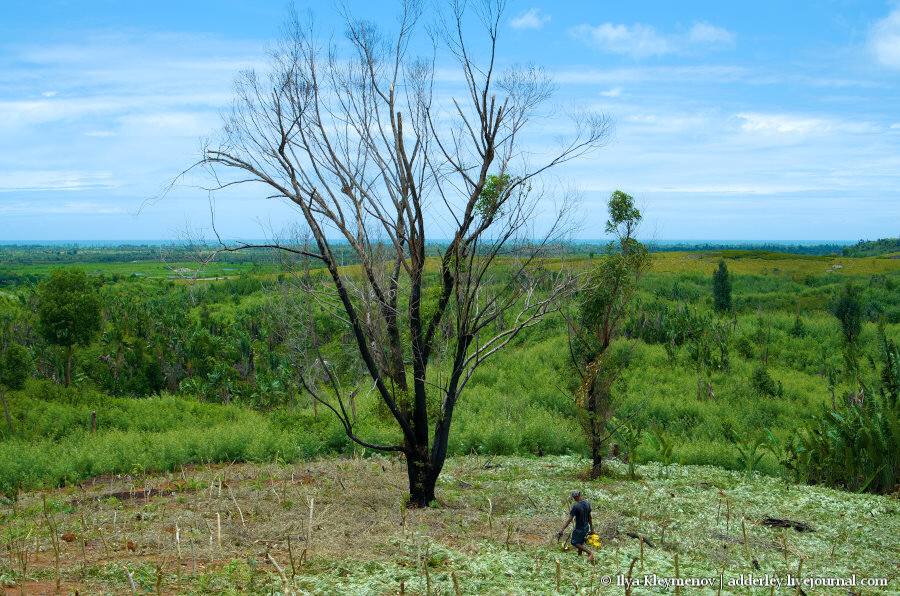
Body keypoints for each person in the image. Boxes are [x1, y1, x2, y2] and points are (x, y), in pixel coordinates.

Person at [556, 489, 594, 561]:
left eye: (573, 497)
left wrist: (562, 529)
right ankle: (579, 557)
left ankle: (589, 553)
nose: (573, 498)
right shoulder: (587, 503)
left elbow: (570, 519)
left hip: (579, 528)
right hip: (586, 527)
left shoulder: (576, 506)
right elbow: (590, 517)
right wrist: (592, 529)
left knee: (574, 542)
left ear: (575, 496)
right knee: (580, 542)